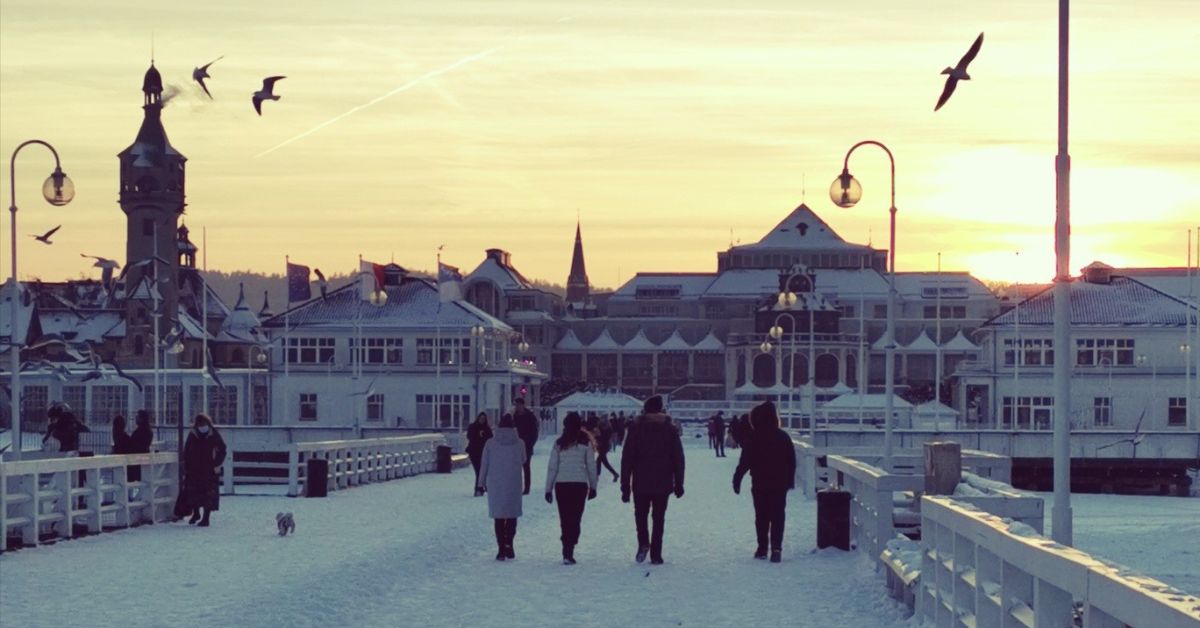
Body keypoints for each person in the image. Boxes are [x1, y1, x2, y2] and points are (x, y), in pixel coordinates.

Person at [620, 395, 685, 565]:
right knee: (659, 517)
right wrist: (679, 483)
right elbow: (678, 458)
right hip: (663, 482)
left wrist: (625, 485)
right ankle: (656, 553)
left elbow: (627, 458)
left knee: (640, 515)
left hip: (641, 481)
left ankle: (643, 543)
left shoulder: (636, 428)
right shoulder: (670, 429)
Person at [733, 401, 797, 563]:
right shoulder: (783, 437)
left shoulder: (754, 437)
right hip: (779, 483)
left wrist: (737, 478)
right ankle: (776, 548)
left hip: (760, 482)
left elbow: (745, 461)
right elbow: (791, 461)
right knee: (778, 515)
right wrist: (789, 480)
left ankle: (762, 548)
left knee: (761, 516)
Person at [544, 412, 598, 565]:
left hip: (562, 485)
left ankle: (566, 547)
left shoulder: (559, 443)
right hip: (579, 485)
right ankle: (571, 543)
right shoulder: (585, 442)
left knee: (565, 517)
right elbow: (591, 466)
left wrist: (548, 489)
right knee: (576, 517)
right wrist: (593, 486)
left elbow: (552, 468)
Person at [478, 414, 526, 561]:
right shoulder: (520, 443)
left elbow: (484, 464)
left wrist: (481, 483)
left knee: (498, 517)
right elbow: (524, 459)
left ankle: (500, 549)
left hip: (496, 483)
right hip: (513, 482)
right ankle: (509, 545)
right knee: (512, 515)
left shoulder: (490, 443)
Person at [181, 414, 227, 527]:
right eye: (200, 424)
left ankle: (206, 518)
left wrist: (216, 463)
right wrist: (186, 466)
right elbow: (187, 451)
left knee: (208, 494)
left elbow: (222, 449)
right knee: (194, 492)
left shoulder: (212, 434)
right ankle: (196, 514)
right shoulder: (194, 434)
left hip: (208, 469)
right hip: (195, 469)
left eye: (204, 424)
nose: (202, 426)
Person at [511, 397, 539, 495]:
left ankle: (527, 488)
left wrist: (530, 443)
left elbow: (535, 432)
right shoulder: (515, 417)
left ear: (523, 405)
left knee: (526, 466)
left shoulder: (530, 417)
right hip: (517, 445)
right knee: (516, 467)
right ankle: (517, 486)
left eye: (518, 405)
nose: (517, 407)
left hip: (527, 445)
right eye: (516, 405)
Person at [466, 412, 493, 496]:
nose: (482, 420)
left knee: (481, 471)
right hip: (474, 452)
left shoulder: (487, 429)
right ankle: (479, 488)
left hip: (483, 452)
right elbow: (469, 437)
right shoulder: (473, 427)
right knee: (478, 470)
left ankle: (479, 488)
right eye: (481, 418)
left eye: (483, 419)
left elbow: (490, 439)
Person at [127, 410, 154, 483]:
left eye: (137, 417)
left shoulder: (142, 430)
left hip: (137, 460)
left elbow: (135, 444)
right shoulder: (147, 429)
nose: (136, 418)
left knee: (132, 482)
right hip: (141, 459)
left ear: (142, 418)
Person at [593, 416, 619, 482]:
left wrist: (598, 437)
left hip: (604, 446)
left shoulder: (606, 428)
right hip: (603, 446)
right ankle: (615, 474)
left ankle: (597, 476)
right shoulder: (603, 427)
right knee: (604, 462)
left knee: (599, 461)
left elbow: (604, 438)